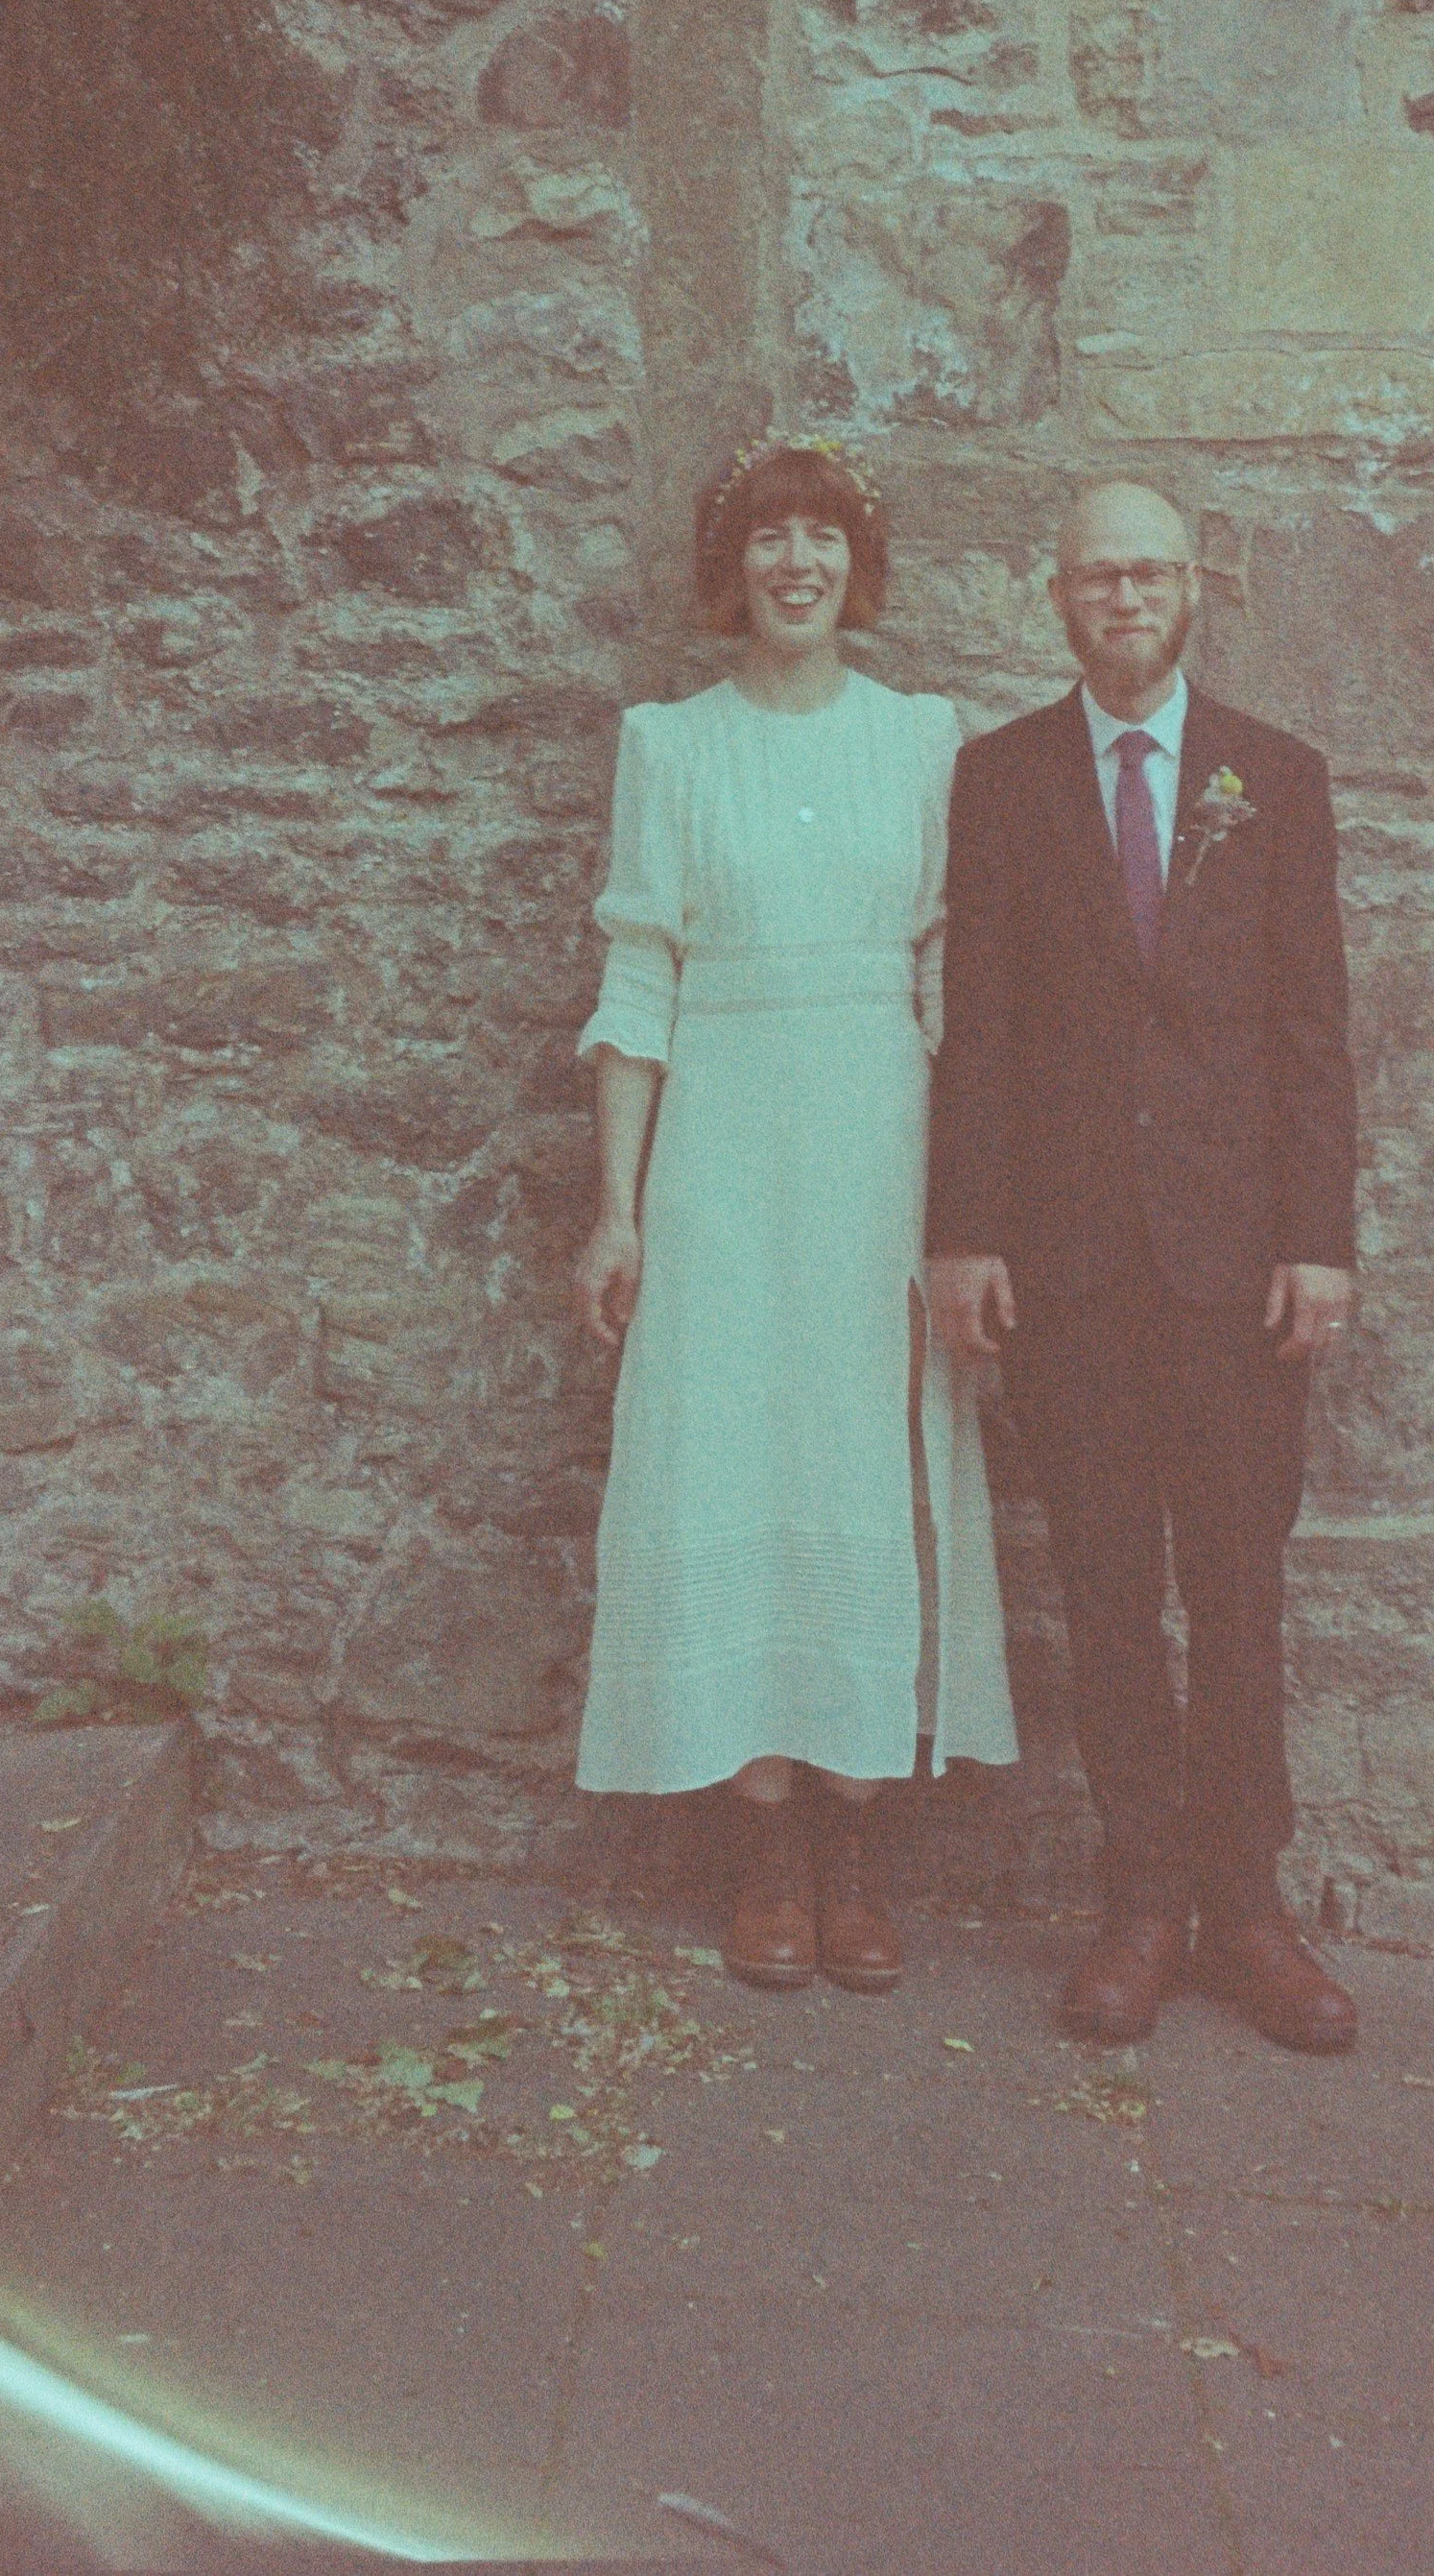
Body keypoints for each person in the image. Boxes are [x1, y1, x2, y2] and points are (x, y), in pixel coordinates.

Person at [570, 438, 1017, 1996]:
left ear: (858, 570)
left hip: (878, 1154)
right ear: (732, 568)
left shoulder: (920, 743)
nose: (797, 563)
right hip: (725, 1162)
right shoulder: (670, 747)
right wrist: (618, 1211)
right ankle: (761, 1843)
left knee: (864, 1450)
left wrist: (971, 1207)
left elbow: (962, 986)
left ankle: (856, 1835)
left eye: (824, 537)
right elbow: (640, 977)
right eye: (769, 537)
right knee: (729, 1449)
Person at [926, 480, 1360, 2054]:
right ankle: (1140, 1905)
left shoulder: (1278, 782)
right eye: (1099, 575)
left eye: (1152, 573)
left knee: (1238, 1599)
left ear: (1196, 592)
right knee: (1108, 1595)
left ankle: (1247, 1911)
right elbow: (974, 1024)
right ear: (1059, 599)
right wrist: (964, 1232)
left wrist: (1319, 1241)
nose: (1125, 598)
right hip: (1072, 1260)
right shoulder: (1002, 779)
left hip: (1238, 1267)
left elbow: (1312, 1032)